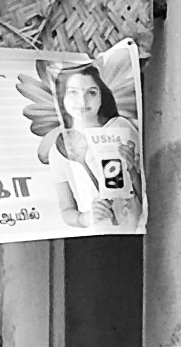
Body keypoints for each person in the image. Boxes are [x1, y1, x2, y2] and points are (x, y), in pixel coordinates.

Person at [52, 64, 142, 230]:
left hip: (136, 228)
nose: (82, 101)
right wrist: (85, 218)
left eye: (91, 93)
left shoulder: (121, 128)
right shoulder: (60, 149)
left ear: (101, 97)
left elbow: (146, 192)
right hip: (96, 235)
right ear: (61, 98)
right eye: (73, 92)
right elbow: (66, 210)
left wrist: (132, 169)